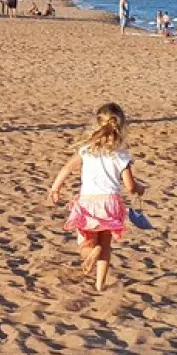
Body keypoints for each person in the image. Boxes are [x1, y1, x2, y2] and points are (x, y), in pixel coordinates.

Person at [46, 103, 146, 292]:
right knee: (106, 244)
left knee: (86, 242)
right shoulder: (121, 155)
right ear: (121, 126)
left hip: (88, 202)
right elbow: (130, 186)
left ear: (97, 124)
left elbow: (67, 168)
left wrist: (55, 188)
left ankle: (92, 252)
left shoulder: (86, 150)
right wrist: (140, 189)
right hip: (110, 202)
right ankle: (100, 284)